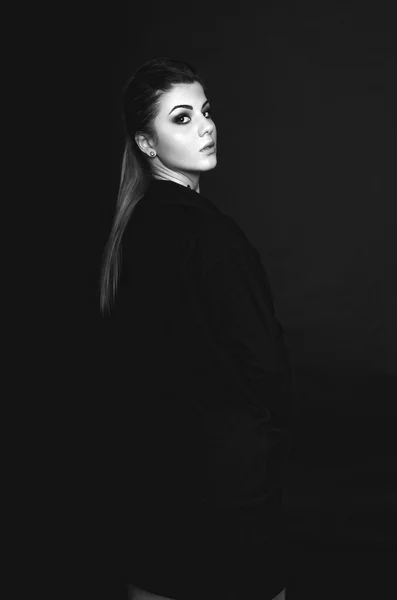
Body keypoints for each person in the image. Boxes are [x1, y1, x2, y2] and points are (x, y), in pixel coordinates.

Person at [101, 57, 298, 600]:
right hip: (225, 486)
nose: (207, 126)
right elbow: (267, 365)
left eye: (206, 111)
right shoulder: (211, 236)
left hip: (151, 482)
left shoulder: (133, 228)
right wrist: (265, 445)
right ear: (146, 142)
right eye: (182, 118)